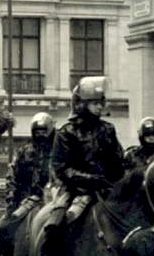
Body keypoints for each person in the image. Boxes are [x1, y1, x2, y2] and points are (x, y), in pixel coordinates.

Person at [48, 76, 125, 235]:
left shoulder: (108, 129)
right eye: (94, 103)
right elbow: (62, 168)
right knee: (55, 226)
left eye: (100, 103)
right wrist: (91, 179)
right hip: (74, 190)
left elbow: (118, 161)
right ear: (81, 104)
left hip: (107, 189)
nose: (99, 107)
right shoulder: (66, 132)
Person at [0, 112, 56, 256]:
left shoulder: (59, 152)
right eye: (37, 131)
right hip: (28, 200)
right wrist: (13, 201)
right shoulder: (24, 151)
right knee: (4, 225)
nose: (40, 134)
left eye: (44, 130)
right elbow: (12, 175)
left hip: (54, 199)